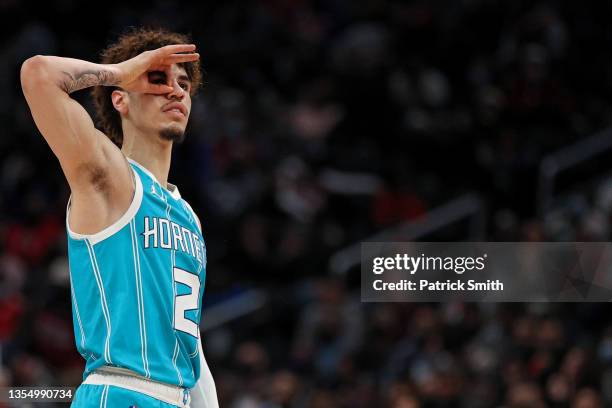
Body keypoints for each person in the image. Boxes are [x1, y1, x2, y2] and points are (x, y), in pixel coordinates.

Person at [20, 27, 218, 407]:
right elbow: (39, 73)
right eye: (156, 79)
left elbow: (190, 344)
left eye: (183, 83)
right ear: (121, 100)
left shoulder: (189, 215)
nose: (176, 90)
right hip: (120, 391)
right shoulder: (109, 177)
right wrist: (121, 70)